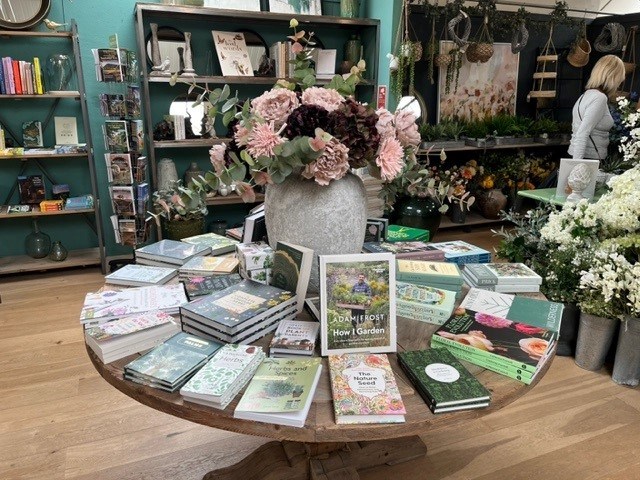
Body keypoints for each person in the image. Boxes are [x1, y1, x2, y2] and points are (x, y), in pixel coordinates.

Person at [568, 54, 626, 161]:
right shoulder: (599, 98)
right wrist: (576, 166)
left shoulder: (586, 95)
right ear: (612, 76)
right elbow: (582, 133)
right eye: (619, 78)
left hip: (582, 156)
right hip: (588, 159)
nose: (620, 83)